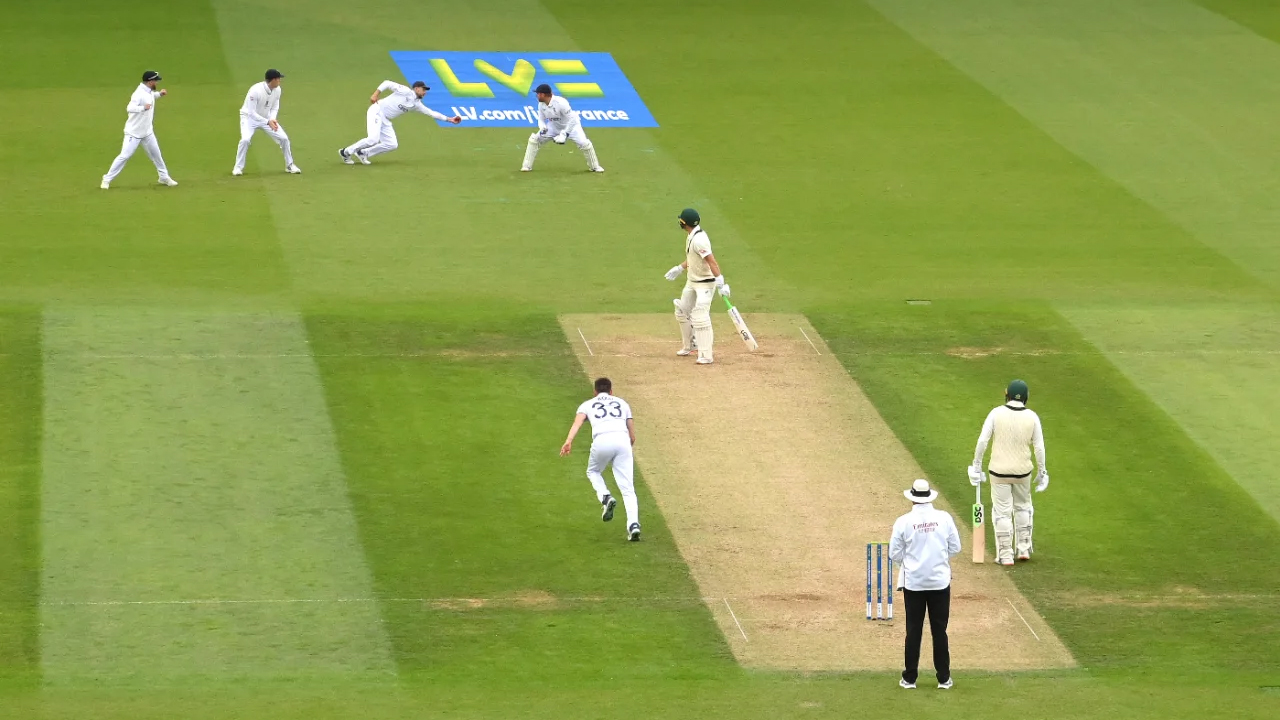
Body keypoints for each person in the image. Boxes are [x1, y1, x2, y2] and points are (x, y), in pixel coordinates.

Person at [889, 479, 961, 690]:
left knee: (913, 630)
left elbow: (894, 553)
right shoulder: (944, 518)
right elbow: (955, 547)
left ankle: (909, 679)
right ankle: (944, 678)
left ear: (912, 499)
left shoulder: (903, 521)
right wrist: (938, 559)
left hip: (914, 583)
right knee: (940, 631)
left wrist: (912, 562)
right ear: (929, 497)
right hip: (939, 582)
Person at [968, 379, 1049, 565]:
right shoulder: (1032, 416)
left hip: (999, 472)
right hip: (1023, 472)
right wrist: (1042, 471)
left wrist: (976, 465)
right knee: (1023, 507)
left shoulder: (995, 413)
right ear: (1026, 397)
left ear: (1007, 395)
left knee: (1002, 512)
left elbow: (983, 441)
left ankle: (1005, 555)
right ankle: (1023, 548)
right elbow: (1039, 447)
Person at [559, 377, 641, 541]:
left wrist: (568, 441)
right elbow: (632, 435)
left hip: (602, 439)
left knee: (593, 471)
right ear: (611, 391)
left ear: (595, 391)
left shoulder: (587, 404)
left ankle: (605, 496)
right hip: (622, 440)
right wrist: (626, 447)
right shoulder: (622, 403)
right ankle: (634, 526)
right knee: (628, 489)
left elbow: (577, 423)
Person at [663, 208, 730, 364]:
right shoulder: (691, 235)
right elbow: (693, 258)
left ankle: (706, 355)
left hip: (705, 284)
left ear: (683, 223)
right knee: (682, 311)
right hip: (692, 281)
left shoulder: (699, 239)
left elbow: (711, 261)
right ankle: (690, 345)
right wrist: (680, 268)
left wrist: (721, 283)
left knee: (700, 316)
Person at [339, 80, 461, 164]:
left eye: (426, 90)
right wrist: (375, 94)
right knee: (373, 139)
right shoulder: (405, 91)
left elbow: (431, 113)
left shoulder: (417, 104)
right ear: (416, 88)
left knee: (392, 144)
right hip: (377, 110)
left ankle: (363, 152)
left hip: (385, 119)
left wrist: (449, 119)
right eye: (423, 89)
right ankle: (345, 152)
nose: (425, 92)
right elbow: (387, 83)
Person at [101, 71, 178, 189]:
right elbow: (129, 108)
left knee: (157, 155)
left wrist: (160, 94)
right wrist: (142, 108)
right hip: (134, 133)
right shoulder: (138, 93)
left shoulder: (149, 91)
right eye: (155, 81)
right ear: (150, 81)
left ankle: (164, 177)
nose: (157, 83)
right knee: (124, 156)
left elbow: (151, 97)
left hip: (147, 132)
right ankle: (106, 179)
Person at [520, 84, 604, 172]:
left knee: (585, 144)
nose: (537, 96)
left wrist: (565, 134)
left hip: (571, 127)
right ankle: (526, 166)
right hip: (553, 126)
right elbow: (541, 118)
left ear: (543, 94)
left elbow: (573, 119)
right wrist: (542, 127)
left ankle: (595, 167)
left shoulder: (561, 102)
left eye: (538, 94)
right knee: (534, 140)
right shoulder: (541, 104)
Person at [233, 69, 300, 176]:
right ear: (273, 80)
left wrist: (272, 119)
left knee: (284, 138)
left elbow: (275, 106)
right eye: (278, 79)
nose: (280, 81)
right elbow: (251, 113)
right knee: (245, 140)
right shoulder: (255, 91)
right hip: (249, 118)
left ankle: (290, 165)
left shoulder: (277, 90)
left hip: (266, 117)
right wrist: (268, 121)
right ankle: (238, 168)